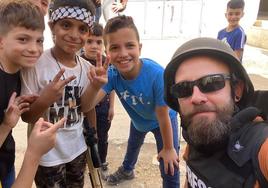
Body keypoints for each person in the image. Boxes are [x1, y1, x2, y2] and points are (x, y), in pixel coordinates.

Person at [87, 15, 180, 187]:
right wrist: (94, 86)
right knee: (132, 146)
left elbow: (163, 116)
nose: (123, 54)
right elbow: (88, 105)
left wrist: (168, 148)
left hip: (164, 121)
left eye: (130, 45)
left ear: (140, 47)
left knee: (169, 166)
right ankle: (127, 170)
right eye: (115, 47)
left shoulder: (157, 74)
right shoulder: (113, 75)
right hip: (139, 120)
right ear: (107, 53)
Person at [164, 37, 268, 187]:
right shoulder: (195, 135)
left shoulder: (261, 148)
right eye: (183, 89)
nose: (196, 98)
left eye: (211, 82)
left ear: (237, 90)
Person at [20, 0, 96, 187]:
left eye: (82, 29)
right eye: (66, 25)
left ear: (88, 33)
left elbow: (85, 108)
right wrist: (46, 98)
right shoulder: (36, 64)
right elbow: (28, 117)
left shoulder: (87, 68)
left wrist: (95, 86)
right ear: (52, 25)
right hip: (47, 156)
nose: (73, 35)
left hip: (77, 150)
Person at [0, 0, 45, 187]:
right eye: (23, 39)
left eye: (39, 40)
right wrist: (7, 124)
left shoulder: (21, 70)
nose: (34, 49)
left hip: (6, 163)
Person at [81, 22, 115, 179]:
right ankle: (83, 164)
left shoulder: (108, 64)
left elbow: (112, 86)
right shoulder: (79, 62)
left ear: (104, 44)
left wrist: (111, 107)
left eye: (98, 42)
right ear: (83, 42)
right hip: (83, 110)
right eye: (89, 41)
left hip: (102, 108)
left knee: (102, 137)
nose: (94, 46)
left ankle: (102, 163)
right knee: (82, 136)